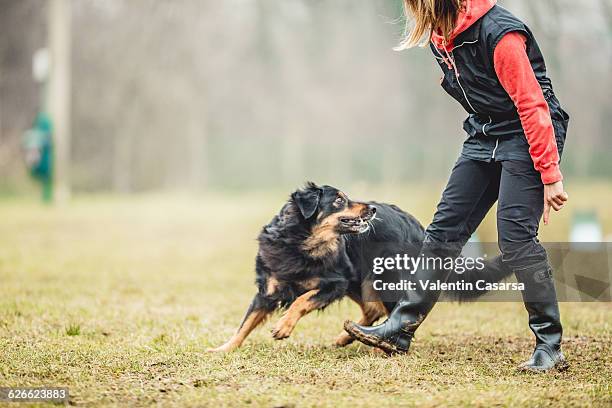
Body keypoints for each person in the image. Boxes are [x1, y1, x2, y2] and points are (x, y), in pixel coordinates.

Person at [344, 0, 570, 372]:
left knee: (515, 240)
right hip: (484, 133)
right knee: (442, 233)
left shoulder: (501, 34)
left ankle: (549, 345)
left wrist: (549, 174)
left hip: (527, 134)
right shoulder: (441, 36)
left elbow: (533, 105)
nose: (414, 12)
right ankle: (400, 328)